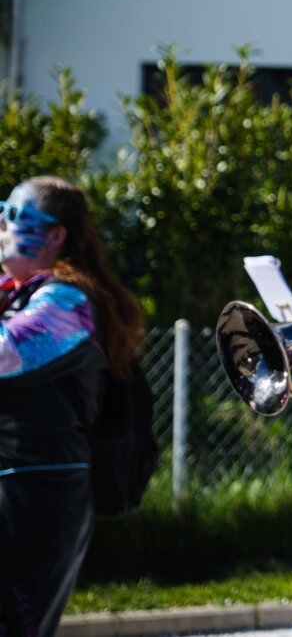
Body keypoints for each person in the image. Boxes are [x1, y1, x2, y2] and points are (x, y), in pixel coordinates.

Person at [0, 176, 143, 636]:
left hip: (35, 495)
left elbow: (5, 354)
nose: (1, 226)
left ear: (56, 235)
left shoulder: (67, 302)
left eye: (14, 216)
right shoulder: (18, 293)